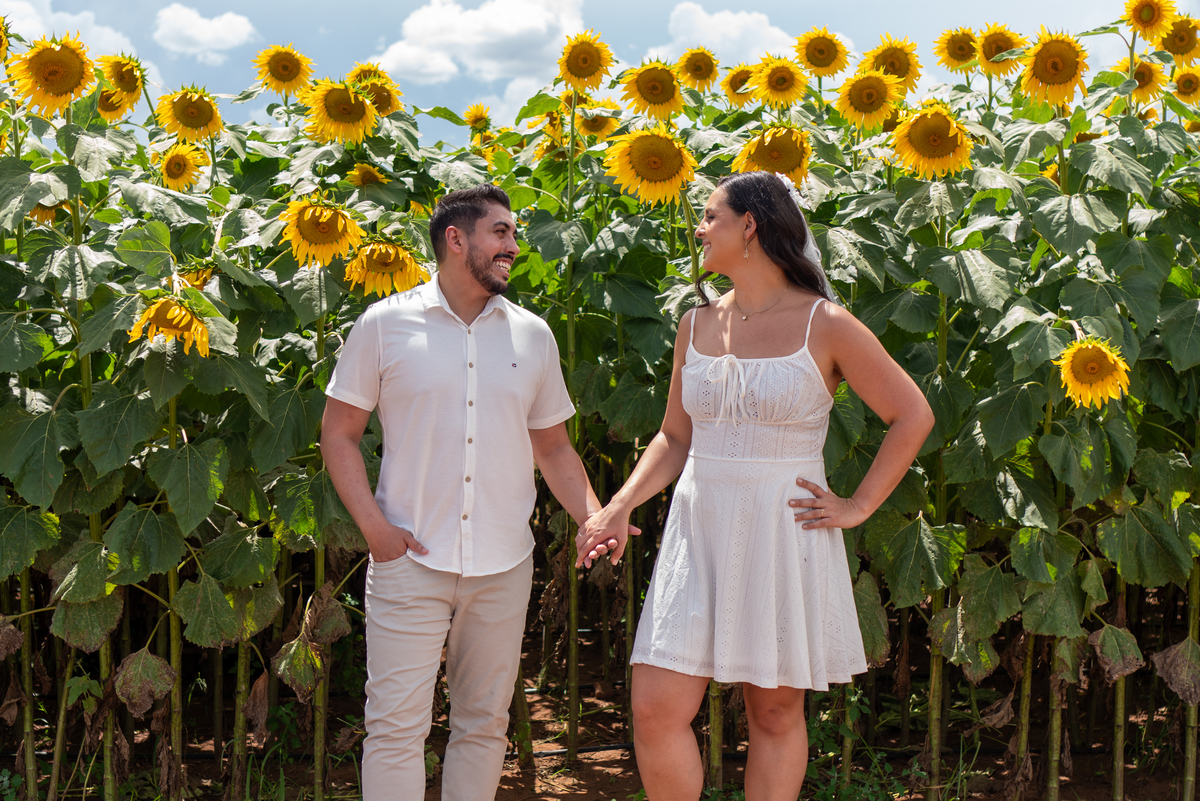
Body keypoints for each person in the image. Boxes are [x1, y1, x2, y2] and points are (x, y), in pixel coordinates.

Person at [577, 171, 935, 800]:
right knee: (655, 709)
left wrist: (858, 505)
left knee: (772, 714)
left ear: (749, 226)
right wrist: (619, 504)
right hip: (698, 531)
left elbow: (912, 414)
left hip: (781, 531)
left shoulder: (826, 324)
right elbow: (675, 437)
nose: (698, 230)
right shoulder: (694, 324)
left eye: (709, 217)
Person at [321, 184, 625, 800]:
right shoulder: (383, 325)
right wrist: (376, 533)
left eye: (514, 233)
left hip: (504, 565)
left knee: (484, 726)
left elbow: (554, 447)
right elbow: (338, 434)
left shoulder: (533, 335)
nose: (513, 245)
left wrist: (595, 517)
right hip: (409, 559)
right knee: (395, 729)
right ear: (456, 239)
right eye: (500, 232)